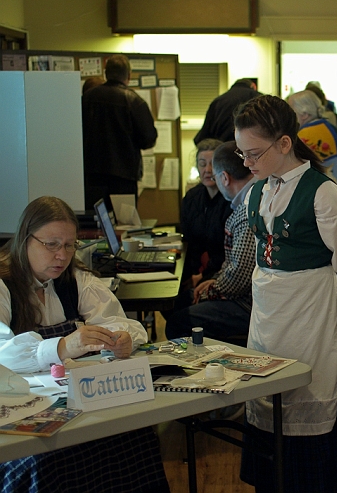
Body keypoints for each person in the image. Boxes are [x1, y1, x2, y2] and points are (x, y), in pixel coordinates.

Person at [234, 95, 337, 493]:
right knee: (266, 390)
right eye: (241, 152)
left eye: (253, 153)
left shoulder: (324, 195)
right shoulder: (257, 191)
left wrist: (310, 284)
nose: (246, 162)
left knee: (308, 388)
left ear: (284, 143)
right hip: (267, 311)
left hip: (310, 311)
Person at [0, 196, 168, 492]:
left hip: (74, 397)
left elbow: (124, 323)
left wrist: (124, 339)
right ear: (26, 239)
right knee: (49, 455)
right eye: (51, 244)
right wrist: (61, 347)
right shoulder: (4, 284)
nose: (61, 256)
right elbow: (3, 353)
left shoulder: (74, 280)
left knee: (132, 432)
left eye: (68, 245)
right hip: (18, 408)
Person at [165, 141, 254, 341]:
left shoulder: (245, 210)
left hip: (247, 303)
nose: (207, 171)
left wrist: (210, 288)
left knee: (178, 321)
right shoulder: (196, 198)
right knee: (178, 302)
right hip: (239, 291)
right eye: (202, 163)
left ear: (224, 177)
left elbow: (238, 278)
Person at [82, 54, 157, 210]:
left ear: (105, 74)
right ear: (128, 76)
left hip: (92, 176)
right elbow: (148, 139)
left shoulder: (87, 98)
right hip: (125, 178)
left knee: (95, 223)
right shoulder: (134, 101)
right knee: (124, 223)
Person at [179, 138, 232, 288]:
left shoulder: (230, 199)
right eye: (202, 164)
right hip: (192, 269)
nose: (207, 170)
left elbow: (226, 252)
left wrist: (202, 276)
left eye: (213, 164)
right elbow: (187, 240)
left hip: (220, 273)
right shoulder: (191, 198)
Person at [287, 89, 337, 197]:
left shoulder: (307, 134)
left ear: (304, 114)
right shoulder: (329, 128)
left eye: (291, 111)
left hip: (327, 199)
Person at [193, 78, 261, 144]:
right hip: (252, 146)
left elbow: (204, 134)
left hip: (223, 147)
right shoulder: (259, 98)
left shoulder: (218, 101)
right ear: (253, 86)